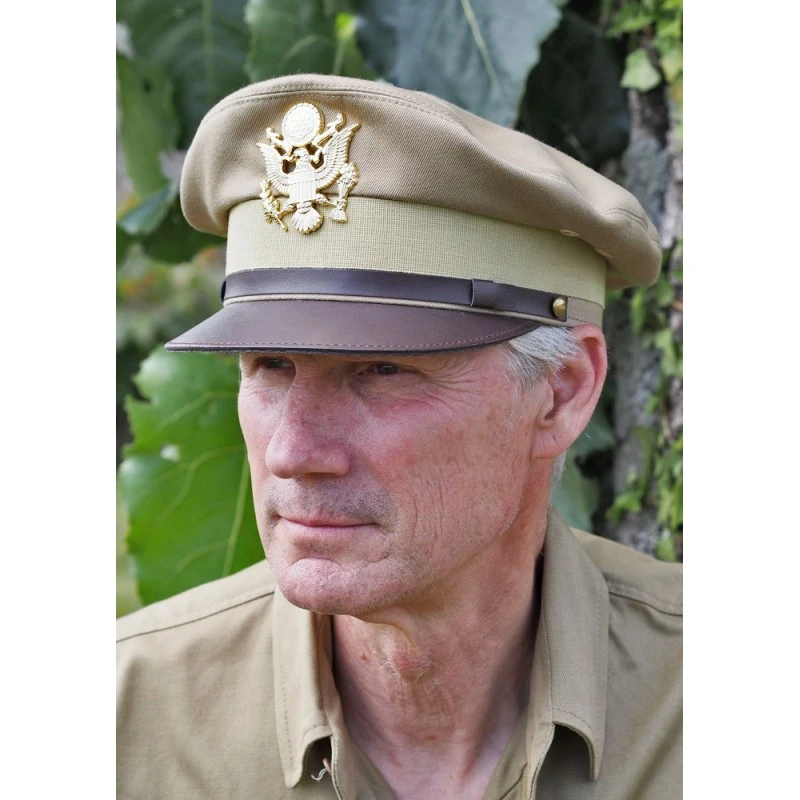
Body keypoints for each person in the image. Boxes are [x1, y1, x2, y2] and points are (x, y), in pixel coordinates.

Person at [117, 74, 682, 800]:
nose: (292, 451)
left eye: (381, 371)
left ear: (562, 391)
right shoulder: (122, 721)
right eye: (270, 367)